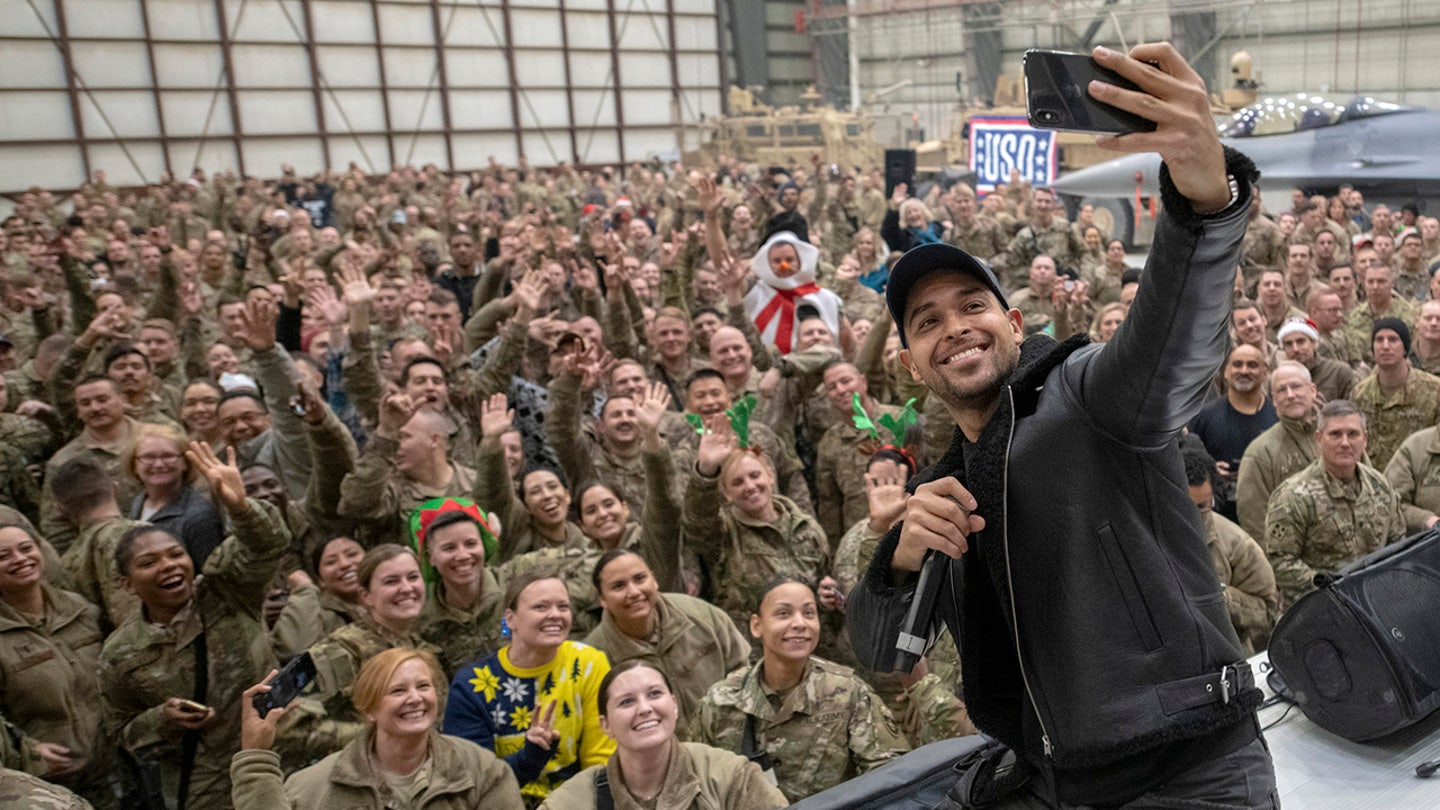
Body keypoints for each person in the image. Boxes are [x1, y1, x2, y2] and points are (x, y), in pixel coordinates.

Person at [848, 44, 1276, 808]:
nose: (955, 327)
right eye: (927, 321)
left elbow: (1171, 348)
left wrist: (1205, 205)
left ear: (1014, 324)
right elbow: (887, 653)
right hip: (1059, 779)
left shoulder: (1082, 396)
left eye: (973, 307)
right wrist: (905, 558)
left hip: (1188, 774)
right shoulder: (944, 492)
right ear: (911, 364)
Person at [98, 442, 290, 810]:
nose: (168, 566)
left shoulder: (225, 589)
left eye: (175, 554)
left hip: (279, 756)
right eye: (149, 562)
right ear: (126, 583)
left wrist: (240, 506)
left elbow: (268, 546)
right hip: (202, 784)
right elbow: (119, 733)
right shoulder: (120, 654)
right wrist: (161, 719)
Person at [692, 578, 908, 802]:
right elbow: (695, 781)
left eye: (809, 613)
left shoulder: (848, 693)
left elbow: (890, 777)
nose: (799, 623)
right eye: (783, 614)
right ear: (756, 626)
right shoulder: (721, 702)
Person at [231, 647, 523, 809]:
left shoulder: (483, 771)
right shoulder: (313, 788)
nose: (415, 698)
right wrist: (256, 756)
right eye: (397, 691)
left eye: (424, 686)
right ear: (369, 708)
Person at [444, 573, 616, 804]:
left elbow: (600, 763)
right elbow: (475, 784)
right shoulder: (472, 684)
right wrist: (530, 757)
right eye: (541, 607)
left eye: (563, 606)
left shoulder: (587, 663)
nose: (555, 615)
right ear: (511, 619)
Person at [537, 660, 787, 810]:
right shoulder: (574, 801)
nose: (645, 709)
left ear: (675, 705)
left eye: (655, 694)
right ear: (606, 725)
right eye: (626, 702)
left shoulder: (730, 777)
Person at [278, 544, 439, 763]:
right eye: (391, 581)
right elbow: (283, 723)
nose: (407, 588)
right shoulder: (341, 649)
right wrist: (379, 736)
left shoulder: (422, 646)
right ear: (366, 596)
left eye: (412, 577)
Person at [0, 524, 113, 808]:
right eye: (3, 556)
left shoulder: (81, 609)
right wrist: (28, 752)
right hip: (47, 790)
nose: (20, 559)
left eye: (26, 548)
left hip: (114, 774)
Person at [582, 549, 749, 736]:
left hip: (728, 742)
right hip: (654, 759)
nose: (634, 592)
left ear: (654, 580)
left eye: (639, 579)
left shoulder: (702, 616)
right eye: (619, 586)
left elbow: (745, 675)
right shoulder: (594, 655)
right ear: (602, 599)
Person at [1264, 399, 1407, 606]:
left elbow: (1397, 545)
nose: (1345, 443)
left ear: (1365, 439)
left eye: (1353, 434)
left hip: (1374, 606)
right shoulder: (1293, 495)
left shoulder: (1381, 487)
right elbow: (1281, 561)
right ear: (1319, 438)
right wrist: (1335, 592)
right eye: (1335, 434)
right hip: (1316, 610)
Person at [1181, 447, 1279, 655]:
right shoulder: (1143, 534)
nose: (1193, 516)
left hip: (1225, 657)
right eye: (1184, 506)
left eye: (1202, 506)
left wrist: (1222, 597)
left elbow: (1266, 611)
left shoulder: (1237, 544)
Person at [1235, 362, 1320, 544]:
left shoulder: (1339, 433)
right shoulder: (1260, 452)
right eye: (1282, 390)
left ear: (1312, 390)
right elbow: (1253, 519)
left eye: (1296, 386)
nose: (1290, 395)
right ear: (1273, 399)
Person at [122, 423, 227, 568]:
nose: (158, 464)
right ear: (134, 465)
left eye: (168, 456)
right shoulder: (139, 501)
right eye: (148, 457)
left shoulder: (199, 516)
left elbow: (211, 575)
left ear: (185, 463)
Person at [270, 535, 367, 660]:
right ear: (320, 580)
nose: (344, 564)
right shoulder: (318, 617)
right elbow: (296, 650)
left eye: (352, 554)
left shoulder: (391, 600)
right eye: (331, 562)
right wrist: (304, 591)